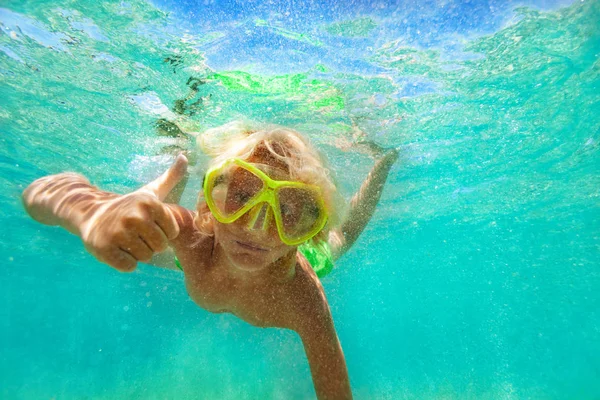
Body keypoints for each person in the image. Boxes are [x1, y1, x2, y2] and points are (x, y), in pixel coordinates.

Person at [22, 121, 398, 400]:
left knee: (344, 236)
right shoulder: (193, 236)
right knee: (147, 237)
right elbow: (36, 193)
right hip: (200, 254)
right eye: (242, 196)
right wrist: (91, 212)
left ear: (309, 230)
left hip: (302, 261)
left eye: (289, 211)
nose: (257, 228)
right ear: (208, 205)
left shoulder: (304, 298)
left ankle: (382, 162)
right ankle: (176, 142)